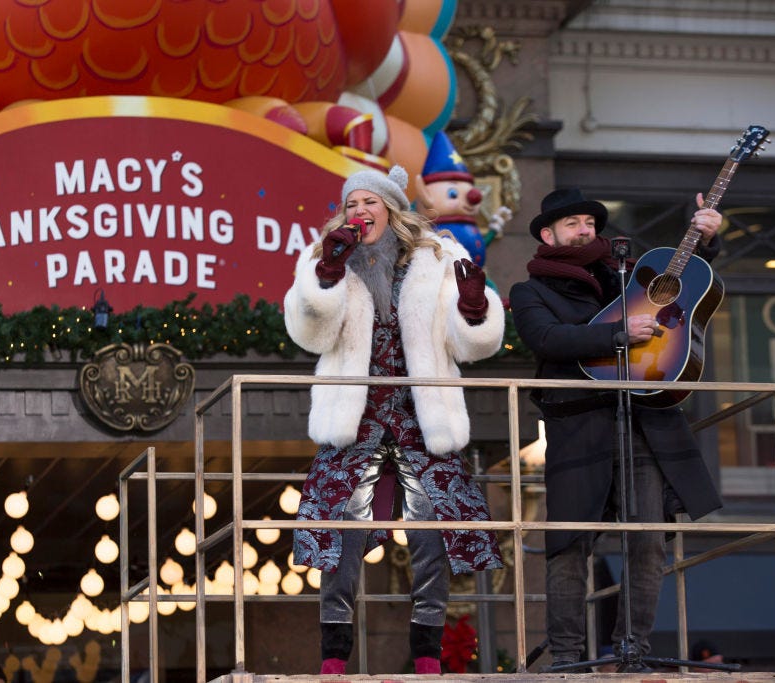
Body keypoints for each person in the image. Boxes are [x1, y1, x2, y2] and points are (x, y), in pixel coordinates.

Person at [284, 165, 506, 675]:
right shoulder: (323, 256)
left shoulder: (439, 256)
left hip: (420, 417)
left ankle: (427, 654)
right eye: (352, 204)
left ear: (391, 209)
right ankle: (334, 659)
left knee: (432, 538)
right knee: (339, 538)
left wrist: (474, 309)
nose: (360, 212)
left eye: (370, 203)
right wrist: (328, 276)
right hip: (355, 419)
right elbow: (308, 333)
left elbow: (472, 341)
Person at [508, 188, 724, 671]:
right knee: (568, 544)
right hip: (578, 426)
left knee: (647, 541)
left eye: (590, 222)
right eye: (572, 223)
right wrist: (615, 334)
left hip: (641, 422)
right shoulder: (530, 291)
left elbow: (682, 284)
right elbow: (546, 338)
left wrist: (705, 241)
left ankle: (633, 652)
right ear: (548, 234)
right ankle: (566, 657)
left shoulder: (625, 274)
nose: (585, 230)